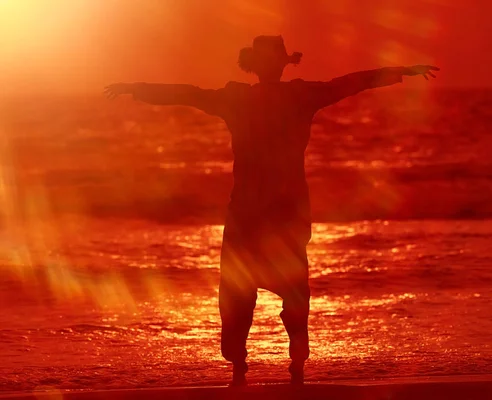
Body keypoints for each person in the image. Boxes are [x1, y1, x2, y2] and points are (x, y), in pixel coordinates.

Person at [104, 35, 438, 386]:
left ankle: (276, 368)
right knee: (257, 291)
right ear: (265, 64)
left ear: (278, 63)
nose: (270, 64)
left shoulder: (268, 97)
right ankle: (259, 368)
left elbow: (351, 83)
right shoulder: (277, 97)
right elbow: (187, 93)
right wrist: (137, 88)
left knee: (261, 291)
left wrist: (399, 71)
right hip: (266, 211)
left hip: (269, 211)